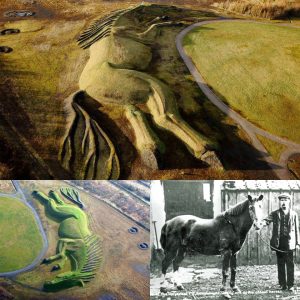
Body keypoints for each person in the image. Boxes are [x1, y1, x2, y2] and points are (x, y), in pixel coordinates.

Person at [263, 193, 300, 292]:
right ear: (279, 202)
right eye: (281, 200)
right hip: (278, 243)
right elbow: (266, 220)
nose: (283, 203)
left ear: (289, 202)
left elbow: (297, 229)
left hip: (290, 243)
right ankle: (282, 284)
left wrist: (297, 243)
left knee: (290, 264)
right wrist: (261, 223)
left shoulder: (294, 214)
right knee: (280, 264)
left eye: (285, 200)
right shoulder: (275, 214)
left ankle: (290, 285)